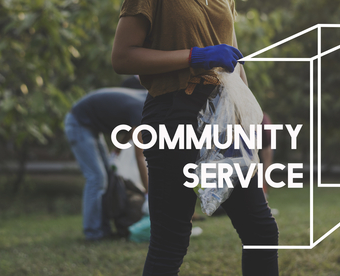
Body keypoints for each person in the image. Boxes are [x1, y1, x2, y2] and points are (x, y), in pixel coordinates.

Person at [112, 1, 279, 275]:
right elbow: (122, 57)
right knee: (170, 241)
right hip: (173, 111)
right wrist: (196, 57)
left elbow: (236, 64)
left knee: (261, 231)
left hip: (223, 115)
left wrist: (245, 124)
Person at [64, 87, 148, 241]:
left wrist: (116, 153)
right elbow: (140, 156)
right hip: (78, 123)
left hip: (91, 127)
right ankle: (93, 233)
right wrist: (149, 193)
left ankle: (103, 229)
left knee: (107, 177)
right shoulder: (143, 109)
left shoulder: (148, 100)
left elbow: (130, 131)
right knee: (96, 178)